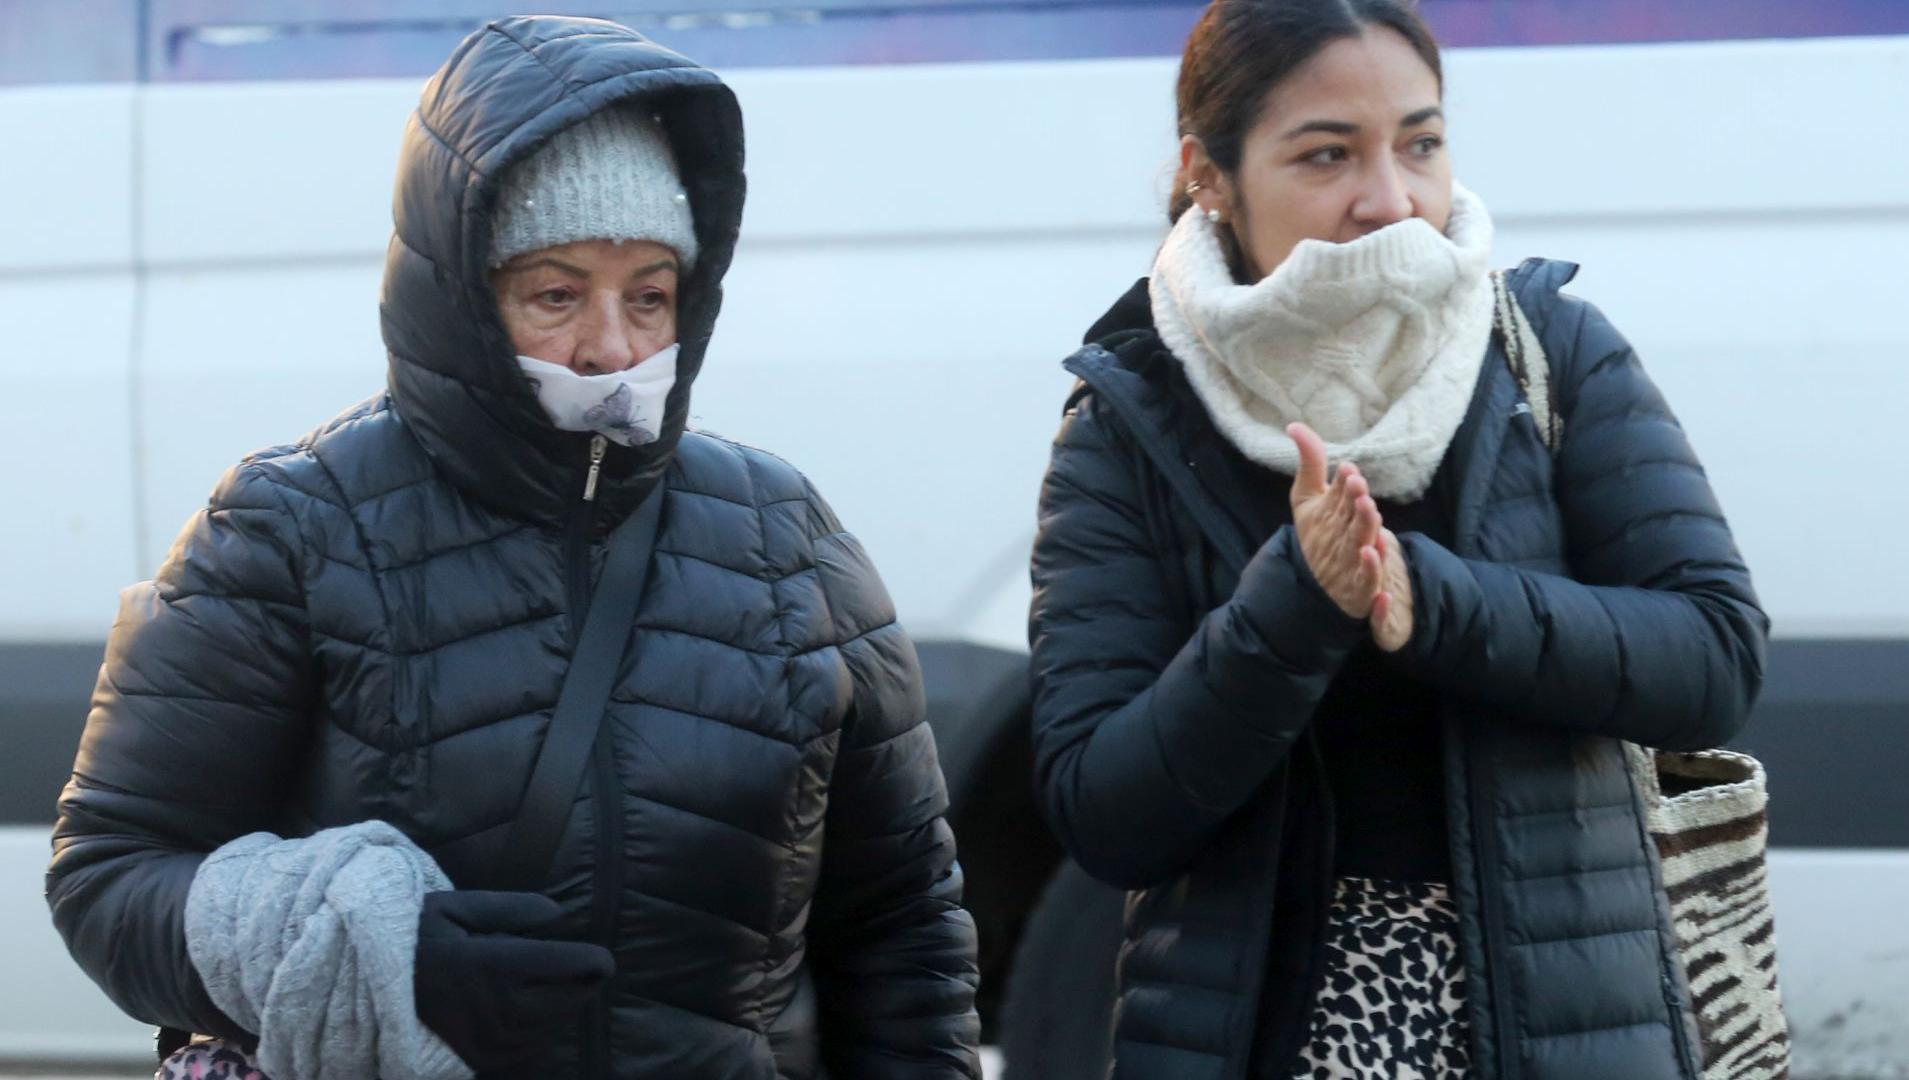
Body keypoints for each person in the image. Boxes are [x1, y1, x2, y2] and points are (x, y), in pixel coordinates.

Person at [46, 16, 981, 1080]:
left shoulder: (786, 537)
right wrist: (383, 957)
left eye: (649, 296)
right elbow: (108, 880)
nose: (613, 347)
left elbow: (903, 925)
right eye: (555, 293)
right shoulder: (291, 526)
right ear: (461, 293)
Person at [1026, 1, 1768, 1077]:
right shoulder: (1133, 417)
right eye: (1327, 155)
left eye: (1419, 143)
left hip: (1568, 1027)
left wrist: (1431, 600)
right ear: (1209, 173)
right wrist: (1294, 606)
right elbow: (1104, 811)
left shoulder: (1543, 350)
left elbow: (1711, 656)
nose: (1392, 200)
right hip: (1265, 1037)